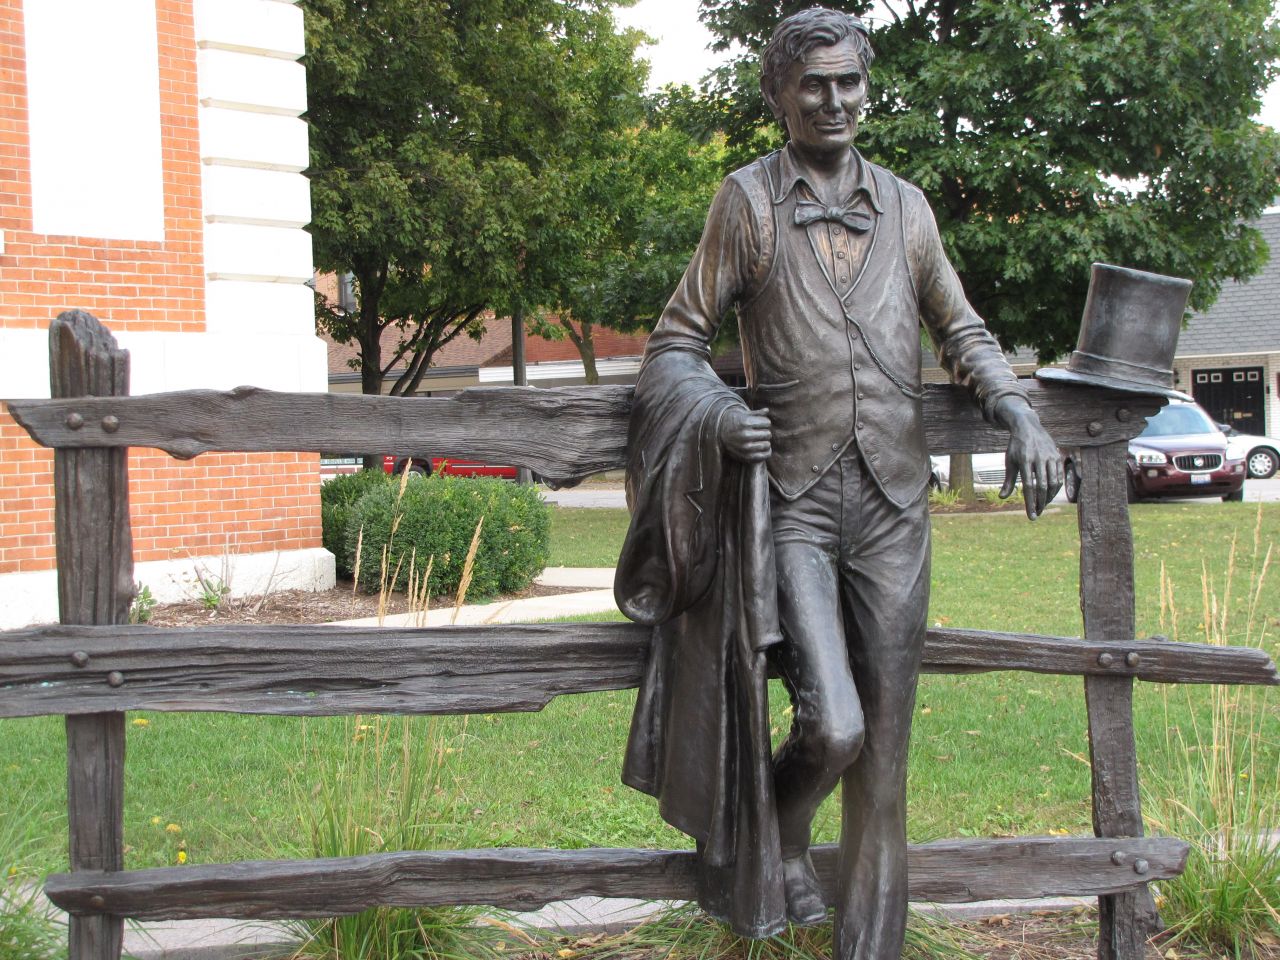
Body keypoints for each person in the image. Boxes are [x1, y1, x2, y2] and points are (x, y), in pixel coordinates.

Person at [613, 8, 1063, 959]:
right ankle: (770, 838)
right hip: (799, 509)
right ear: (778, 94)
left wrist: (1017, 410)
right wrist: (718, 413)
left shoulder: (907, 208)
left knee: (885, 771)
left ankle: (871, 947)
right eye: (811, 83)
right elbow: (675, 344)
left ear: (868, 86)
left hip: (896, 509)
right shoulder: (746, 203)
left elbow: (962, 329)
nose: (833, 100)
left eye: (847, 81)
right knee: (837, 729)